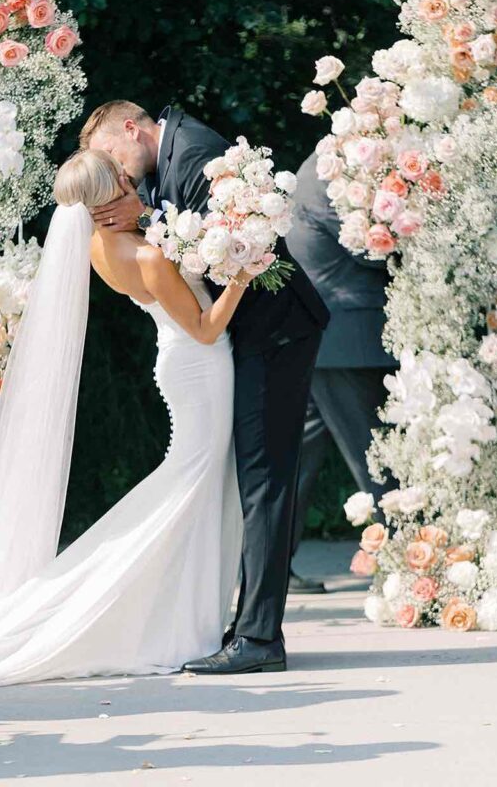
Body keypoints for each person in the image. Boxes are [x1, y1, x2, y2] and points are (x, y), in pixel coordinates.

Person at [0, 150, 252, 701]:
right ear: (107, 196)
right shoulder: (145, 256)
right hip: (198, 365)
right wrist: (242, 272)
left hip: (181, 364)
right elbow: (207, 329)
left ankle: (181, 618)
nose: (131, 178)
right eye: (120, 180)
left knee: (193, 485)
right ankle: (167, 618)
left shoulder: (97, 247)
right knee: (192, 485)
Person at [82, 100, 329, 674]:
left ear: (130, 127)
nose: (119, 176)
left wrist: (146, 222)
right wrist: (146, 220)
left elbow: (214, 254)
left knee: (264, 477)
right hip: (241, 339)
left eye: (114, 159)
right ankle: (244, 626)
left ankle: (260, 639)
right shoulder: (174, 156)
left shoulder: (192, 153)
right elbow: (194, 249)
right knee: (252, 476)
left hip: (275, 333)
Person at [285, 150, 397, 593]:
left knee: (295, 461)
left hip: (326, 339)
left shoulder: (314, 169)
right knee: (376, 459)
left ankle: (271, 567)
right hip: (348, 340)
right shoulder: (329, 177)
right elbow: (370, 251)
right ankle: (409, 562)